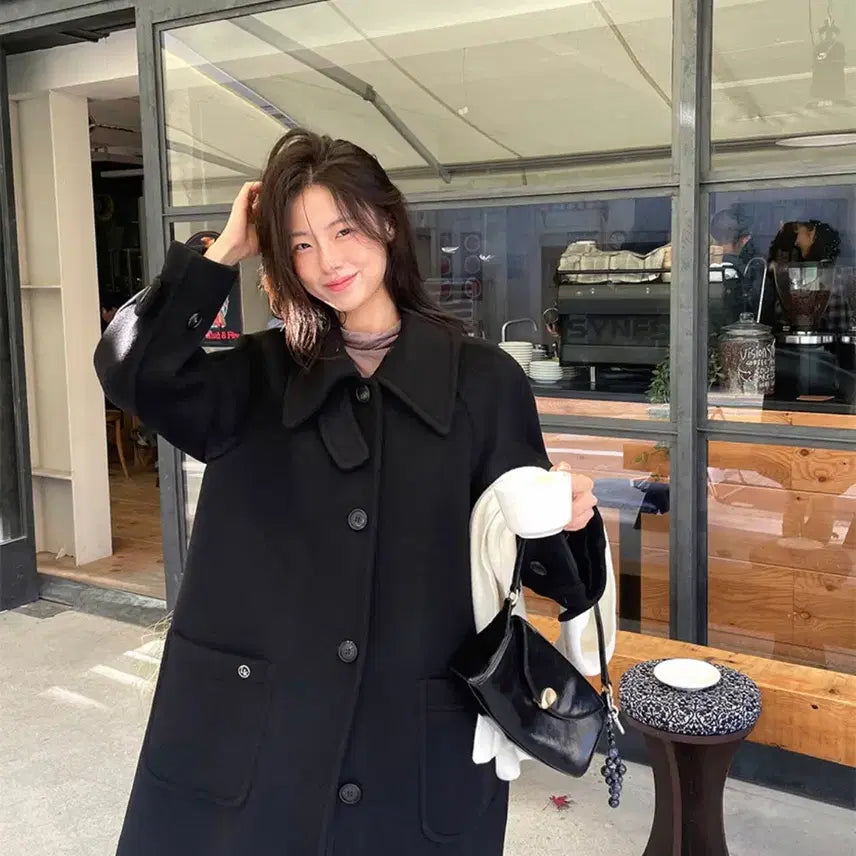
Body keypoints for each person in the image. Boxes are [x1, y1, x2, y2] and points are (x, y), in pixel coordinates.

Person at [94, 128, 605, 856]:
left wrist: (571, 519)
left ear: (387, 222)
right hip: (261, 733)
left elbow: (535, 560)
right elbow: (132, 370)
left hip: (414, 735)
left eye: (344, 230)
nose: (328, 262)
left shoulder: (484, 382)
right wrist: (224, 251)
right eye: (300, 244)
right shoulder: (253, 379)